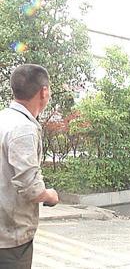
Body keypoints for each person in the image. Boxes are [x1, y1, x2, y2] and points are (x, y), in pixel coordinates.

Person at [0, 64, 59, 269]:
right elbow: (30, 187)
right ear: (43, 92)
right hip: (10, 240)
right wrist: (50, 195)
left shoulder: (3, 119)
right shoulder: (23, 127)